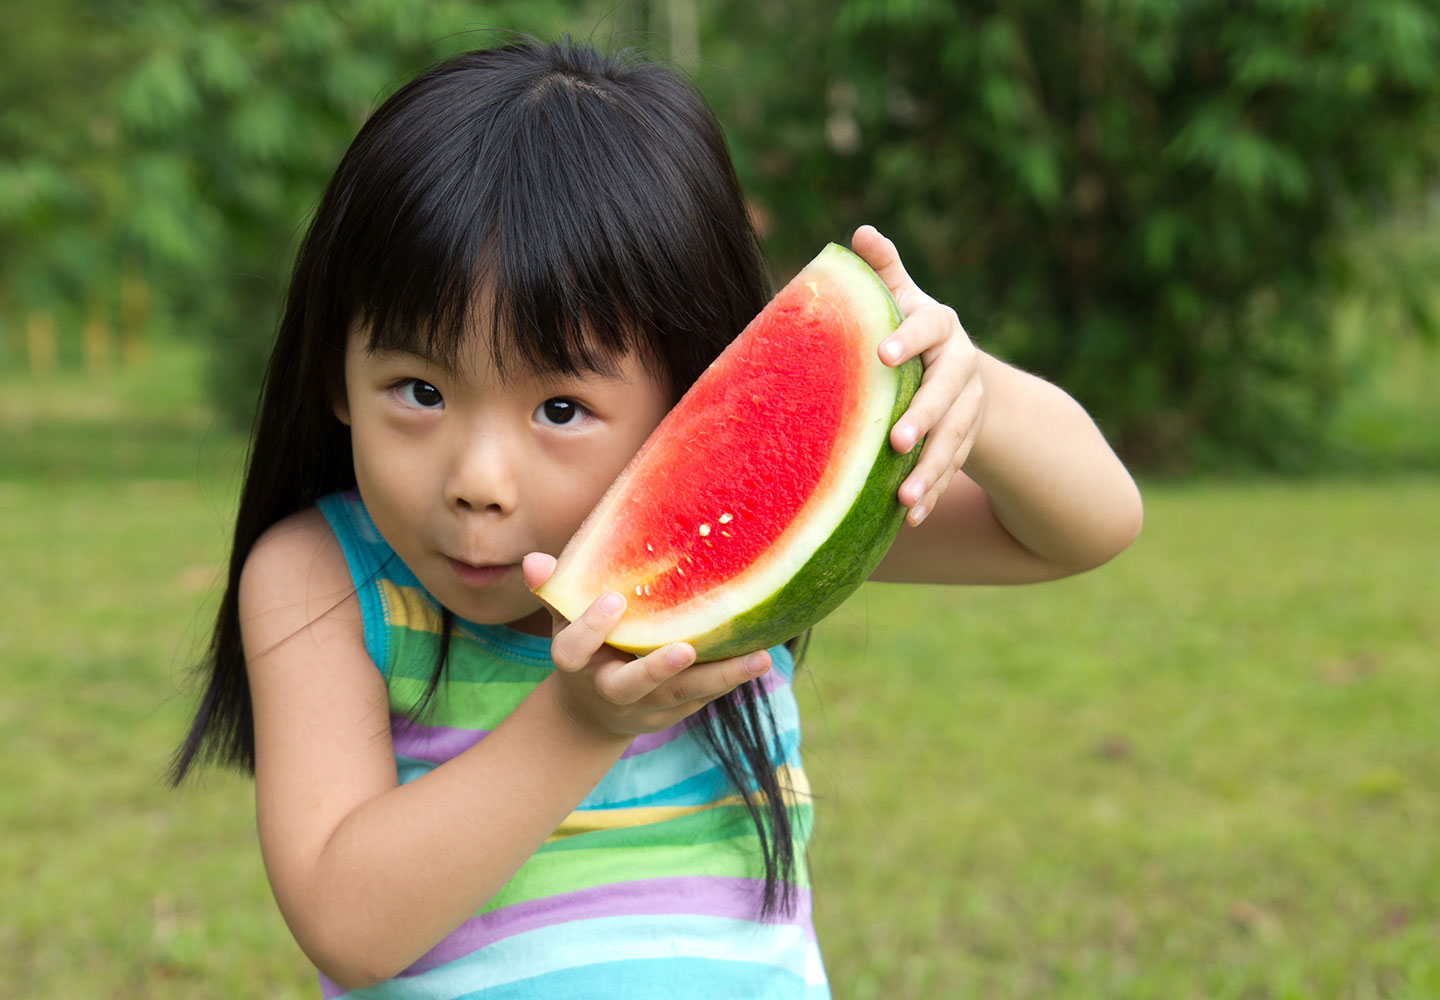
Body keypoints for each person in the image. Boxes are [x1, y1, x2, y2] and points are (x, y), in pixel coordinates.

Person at [171, 37, 1142, 999]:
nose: (476, 479)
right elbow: (349, 926)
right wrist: (581, 719)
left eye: (559, 409)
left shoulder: (733, 520)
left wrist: (974, 391)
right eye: (418, 390)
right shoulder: (323, 576)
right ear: (335, 367)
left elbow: (1087, 525)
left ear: (692, 394)